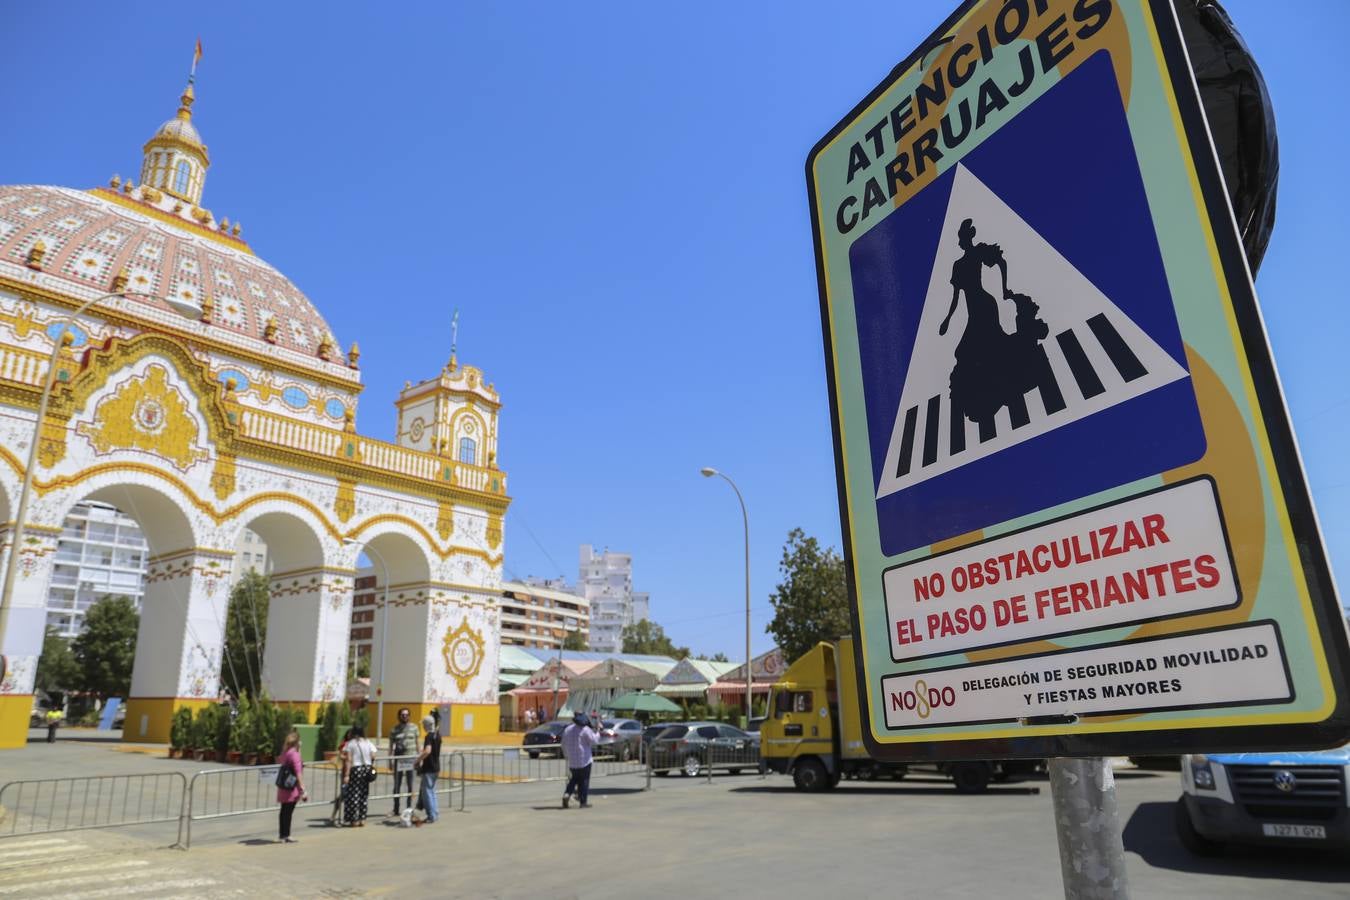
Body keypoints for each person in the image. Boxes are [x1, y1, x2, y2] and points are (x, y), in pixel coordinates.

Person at [560, 711, 598, 809]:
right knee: (584, 780)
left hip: (573, 761)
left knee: (574, 779)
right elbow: (594, 740)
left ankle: (567, 793)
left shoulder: (568, 729)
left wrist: (566, 755)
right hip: (584, 759)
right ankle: (583, 802)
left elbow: (563, 744)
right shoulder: (585, 729)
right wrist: (598, 732)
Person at [276, 729, 308, 843]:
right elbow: (298, 772)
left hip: (283, 786)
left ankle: (282, 835)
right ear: (297, 742)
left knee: (284, 810)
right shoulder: (294, 755)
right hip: (291, 787)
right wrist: (303, 790)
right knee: (288, 811)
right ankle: (286, 835)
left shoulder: (285, 752)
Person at [341, 725, 377, 827]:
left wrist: (346, 775)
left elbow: (348, 759)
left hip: (355, 769)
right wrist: (368, 761)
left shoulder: (351, 744)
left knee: (354, 795)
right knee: (364, 794)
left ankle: (354, 819)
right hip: (366, 770)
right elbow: (374, 755)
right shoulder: (368, 742)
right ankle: (362, 819)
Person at [388, 708, 419, 817]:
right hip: (399, 760)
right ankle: (395, 809)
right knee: (397, 785)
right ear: (399, 716)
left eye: (406, 715)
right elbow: (391, 746)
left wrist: (419, 759)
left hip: (411, 759)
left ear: (409, 716)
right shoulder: (394, 730)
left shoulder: (414, 728)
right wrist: (390, 761)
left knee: (410, 785)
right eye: (402, 715)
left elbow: (417, 743)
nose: (404, 716)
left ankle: (409, 809)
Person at [414, 714, 441, 826]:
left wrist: (418, 760)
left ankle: (431, 815)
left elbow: (428, 751)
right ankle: (435, 813)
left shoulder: (429, 737)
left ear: (427, 725)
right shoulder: (438, 735)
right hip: (436, 767)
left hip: (429, 767)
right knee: (432, 791)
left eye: (424, 725)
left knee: (427, 792)